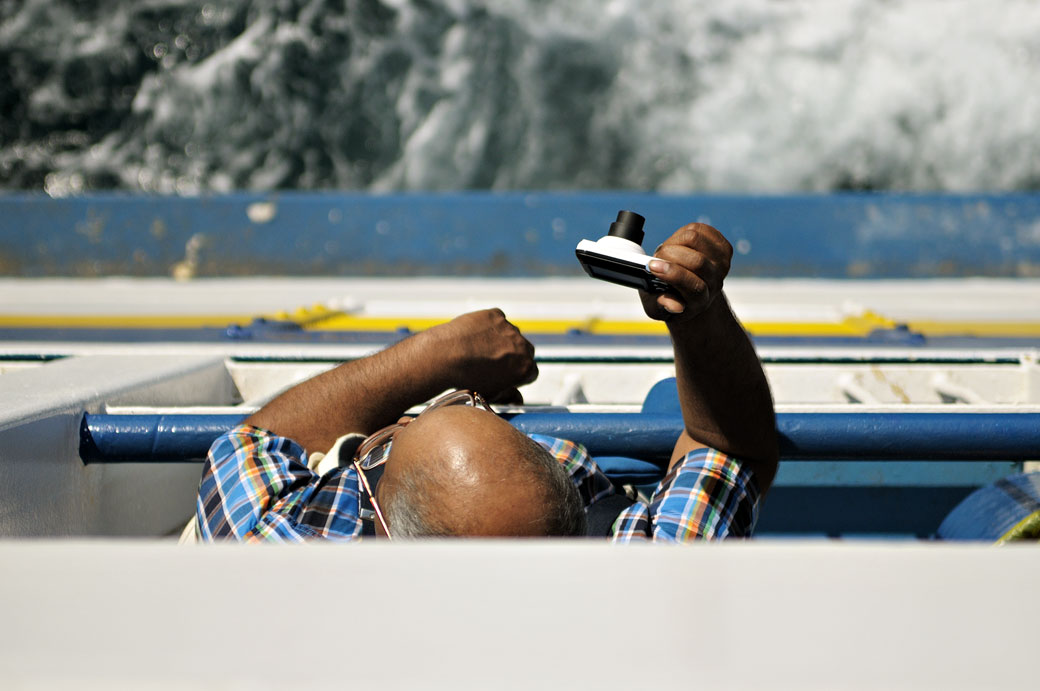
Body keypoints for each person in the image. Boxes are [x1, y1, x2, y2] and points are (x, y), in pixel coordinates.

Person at [196, 221, 779, 541]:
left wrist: (437, 356)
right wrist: (701, 319)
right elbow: (726, 447)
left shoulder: (277, 551)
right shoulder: (649, 578)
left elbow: (253, 444)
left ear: (377, 516)